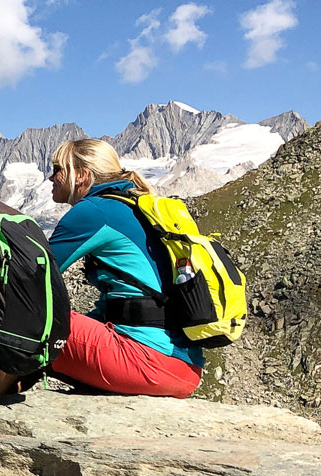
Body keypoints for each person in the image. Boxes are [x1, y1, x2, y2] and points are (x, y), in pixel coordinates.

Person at [44, 138, 203, 397]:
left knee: (31, 318)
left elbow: (30, 275)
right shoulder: (134, 203)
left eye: (57, 169)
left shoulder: (93, 211)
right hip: (184, 367)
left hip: (146, 359)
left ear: (82, 175)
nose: (50, 178)